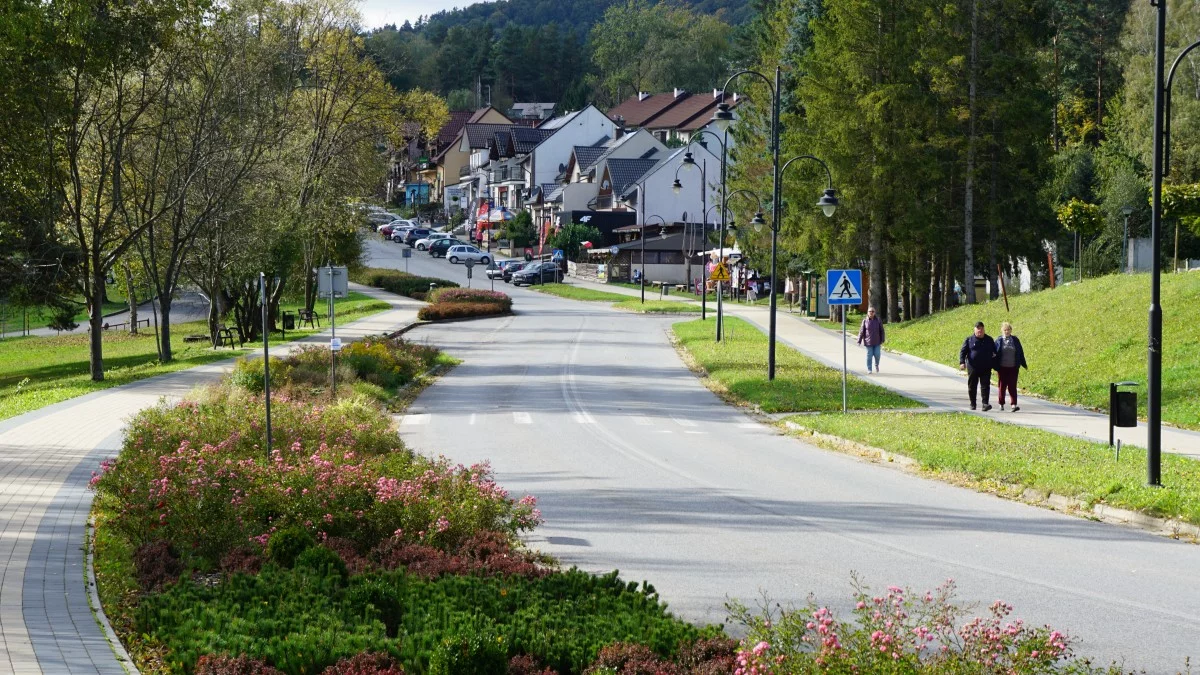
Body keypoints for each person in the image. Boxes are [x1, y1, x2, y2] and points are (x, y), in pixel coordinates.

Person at [959, 321, 996, 411]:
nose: (980, 330)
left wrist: (996, 366)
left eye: (981, 329)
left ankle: (985, 404)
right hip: (973, 367)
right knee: (972, 386)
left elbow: (995, 353)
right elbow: (963, 352)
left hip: (986, 367)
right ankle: (973, 404)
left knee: (985, 386)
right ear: (974, 330)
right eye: (978, 329)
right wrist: (962, 362)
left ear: (984, 329)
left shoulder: (989, 340)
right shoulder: (969, 340)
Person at [993, 321, 1028, 411]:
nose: (1007, 331)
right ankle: (1001, 403)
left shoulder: (1015, 340)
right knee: (1002, 385)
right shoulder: (999, 340)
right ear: (1002, 330)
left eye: (1008, 330)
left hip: (1013, 367)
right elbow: (994, 353)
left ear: (1011, 330)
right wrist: (994, 364)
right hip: (1002, 367)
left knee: (1012, 385)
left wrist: (1022, 363)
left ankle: (1014, 404)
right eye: (1005, 330)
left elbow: (1020, 351)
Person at [856, 306, 885, 373]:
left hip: (877, 341)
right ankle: (869, 369)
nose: (871, 313)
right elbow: (861, 331)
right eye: (870, 311)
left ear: (874, 313)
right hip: (868, 342)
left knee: (877, 355)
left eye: (872, 311)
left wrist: (882, 339)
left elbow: (882, 330)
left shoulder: (878, 320)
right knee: (869, 356)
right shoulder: (865, 321)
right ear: (867, 313)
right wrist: (859, 341)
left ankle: (876, 364)